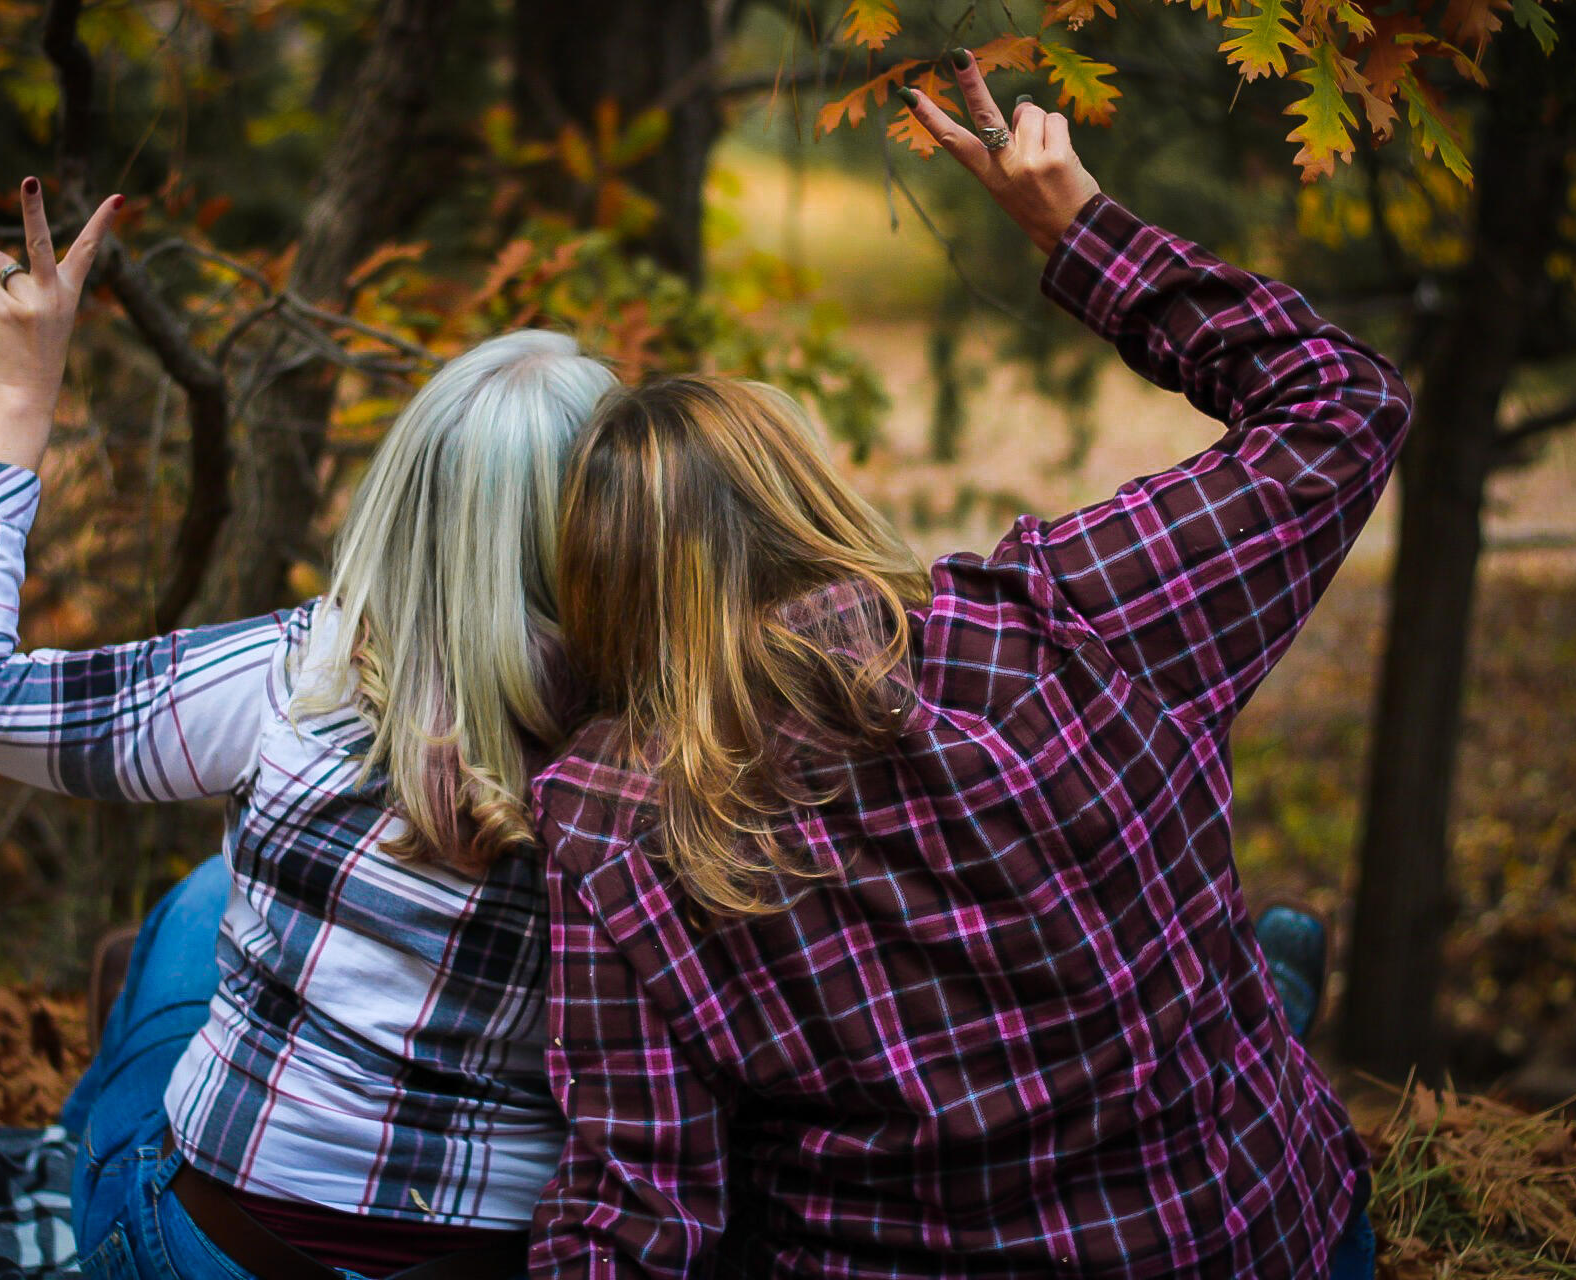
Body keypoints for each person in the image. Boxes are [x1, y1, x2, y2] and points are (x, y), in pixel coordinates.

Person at [526, 49, 1405, 1279]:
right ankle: (1262, 977)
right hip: (1261, 1231)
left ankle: (1263, 972)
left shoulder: (605, 817)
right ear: (813, 489)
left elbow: (639, 1204)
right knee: (1239, 973)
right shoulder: (1067, 614)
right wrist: (1078, 228)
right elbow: (1340, 405)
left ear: (602, 587)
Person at [0, 177, 616, 1279]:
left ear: (407, 489)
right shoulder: (681, 718)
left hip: (212, 1251)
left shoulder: (307, 672)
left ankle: (77, 1138)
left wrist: (22, 387)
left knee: (204, 895)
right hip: (507, 1254)